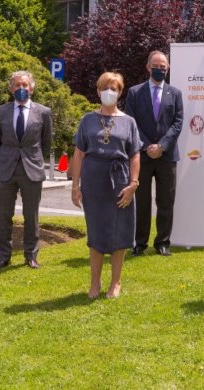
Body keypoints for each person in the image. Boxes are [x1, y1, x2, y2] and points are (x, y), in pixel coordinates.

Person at [71, 72, 141, 299]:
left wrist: (133, 183)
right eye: (105, 88)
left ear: (120, 92)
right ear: (98, 91)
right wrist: (75, 186)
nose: (109, 92)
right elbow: (79, 154)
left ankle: (116, 282)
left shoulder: (129, 121)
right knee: (97, 233)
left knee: (120, 231)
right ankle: (95, 283)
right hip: (93, 180)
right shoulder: (87, 120)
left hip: (120, 179)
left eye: (114, 88)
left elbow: (134, 155)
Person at [0, 71, 53, 270]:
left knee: (31, 215)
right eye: (17, 85)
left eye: (25, 85)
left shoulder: (43, 112)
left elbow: (46, 143)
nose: (21, 89)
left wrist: (33, 158)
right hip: (5, 171)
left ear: (32, 88)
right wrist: (9, 156)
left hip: (32, 169)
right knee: (4, 216)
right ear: (11, 89)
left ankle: (31, 256)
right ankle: (3, 257)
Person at [124, 50, 183, 256]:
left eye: (163, 67)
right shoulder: (134, 92)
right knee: (142, 201)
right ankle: (140, 242)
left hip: (167, 156)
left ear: (168, 69)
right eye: (156, 66)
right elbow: (131, 122)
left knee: (166, 201)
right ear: (148, 67)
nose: (160, 69)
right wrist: (148, 145)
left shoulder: (175, 93)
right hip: (142, 155)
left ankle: (163, 242)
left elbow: (177, 123)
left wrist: (162, 146)